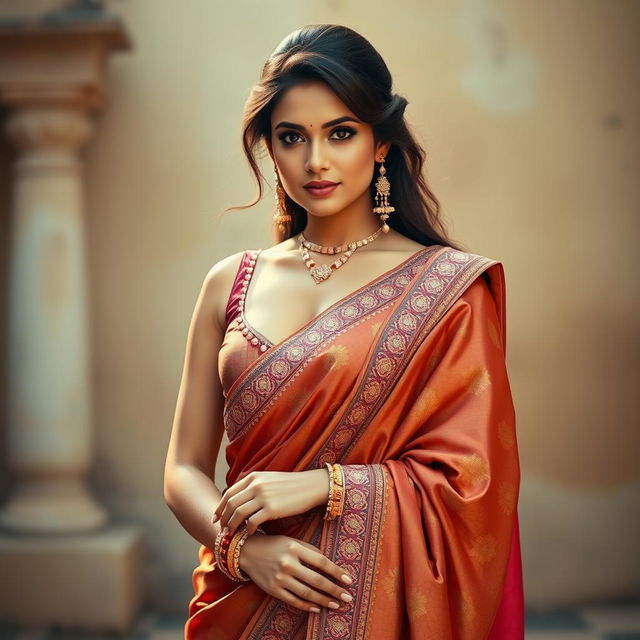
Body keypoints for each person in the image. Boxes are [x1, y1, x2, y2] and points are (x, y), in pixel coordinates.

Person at [164, 23, 524, 640]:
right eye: (291, 138)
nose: (316, 161)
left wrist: (325, 487)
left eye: (341, 133)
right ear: (269, 150)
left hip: (372, 606)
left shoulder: (447, 292)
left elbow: (472, 484)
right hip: (243, 599)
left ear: (380, 143)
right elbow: (182, 471)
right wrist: (244, 552)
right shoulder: (230, 282)